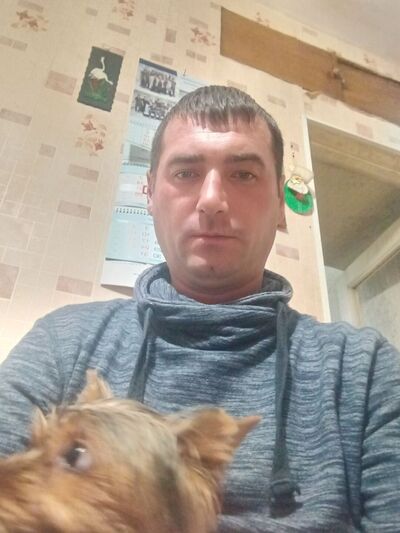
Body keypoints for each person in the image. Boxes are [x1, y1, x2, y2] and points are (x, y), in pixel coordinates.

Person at [0, 86, 399, 532]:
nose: (211, 199)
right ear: (150, 194)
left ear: (281, 206)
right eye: (186, 173)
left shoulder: (364, 369)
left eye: (243, 174)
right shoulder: (63, 343)